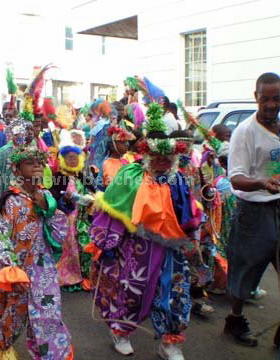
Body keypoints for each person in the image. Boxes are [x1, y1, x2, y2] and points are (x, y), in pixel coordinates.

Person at [89, 103, 192, 359]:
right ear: (146, 153)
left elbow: (189, 214)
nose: (162, 161)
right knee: (131, 291)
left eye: (167, 157)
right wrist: (108, 244)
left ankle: (170, 342)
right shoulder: (131, 174)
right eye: (156, 155)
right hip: (136, 246)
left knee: (174, 294)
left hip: (170, 247)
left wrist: (192, 239)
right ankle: (121, 331)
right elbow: (112, 206)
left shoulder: (178, 179)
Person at [0, 144, 73, 359]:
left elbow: (59, 232)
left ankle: (53, 354)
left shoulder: (45, 197)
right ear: (17, 169)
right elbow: (1, 236)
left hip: (43, 268)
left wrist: (49, 210)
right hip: (18, 269)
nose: (37, 167)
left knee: (48, 313)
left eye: (40, 163)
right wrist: (10, 269)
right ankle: (2, 348)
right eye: (30, 163)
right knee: (11, 312)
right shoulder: (12, 201)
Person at [224, 72, 280, 347]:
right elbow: (235, 177)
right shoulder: (244, 132)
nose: (272, 104)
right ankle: (234, 318)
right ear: (256, 97)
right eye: (266, 99)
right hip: (253, 212)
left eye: (277, 98)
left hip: (279, 207)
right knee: (245, 272)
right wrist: (261, 182)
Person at [50, 130, 95, 291]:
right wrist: (64, 200)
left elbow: (94, 191)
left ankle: (86, 276)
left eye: (75, 157)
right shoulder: (59, 177)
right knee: (69, 248)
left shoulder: (82, 175)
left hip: (83, 218)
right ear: (63, 159)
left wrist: (91, 197)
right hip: (67, 218)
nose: (73, 159)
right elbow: (53, 197)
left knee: (86, 245)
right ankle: (70, 277)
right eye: (69, 157)